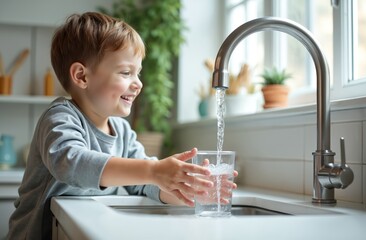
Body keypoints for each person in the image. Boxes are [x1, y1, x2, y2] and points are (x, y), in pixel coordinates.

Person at [7, 12, 237, 239]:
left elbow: (144, 183)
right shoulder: (60, 117)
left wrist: (186, 191)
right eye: (126, 72)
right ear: (82, 76)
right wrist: (155, 171)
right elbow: (71, 163)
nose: (138, 84)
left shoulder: (123, 131)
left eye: (138, 73)